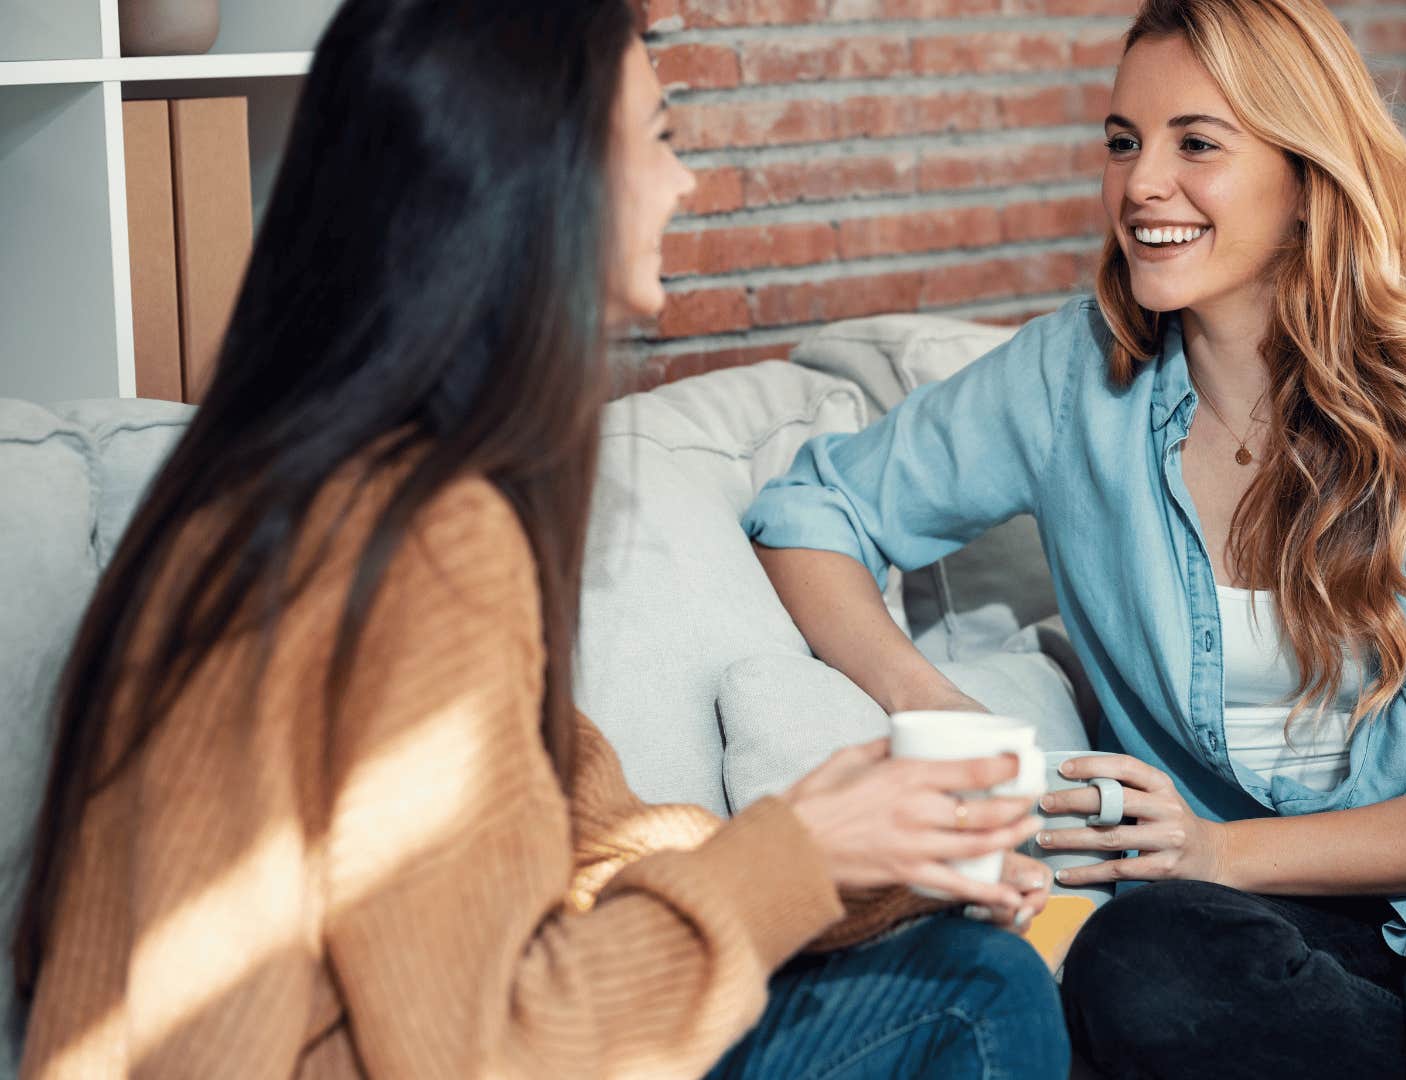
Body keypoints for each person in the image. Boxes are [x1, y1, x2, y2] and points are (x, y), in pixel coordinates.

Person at [10, 1, 1069, 1076]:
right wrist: (804, 851)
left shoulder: (309, 484)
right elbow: (485, 1049)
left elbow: (587, 842)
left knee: (955, 964)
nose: (683, 182)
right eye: (658, 136)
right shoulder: (426, 541)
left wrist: (861, 864)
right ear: (543, 178)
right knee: (977, 993)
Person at [744, 0, 1406, 1075]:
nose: (1141, 183)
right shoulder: (1069, 382)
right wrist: (942, 712)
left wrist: (1219, 848)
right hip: (1284, 913)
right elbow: (810, 512)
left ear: (1307, 175)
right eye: (1123, 142)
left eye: (1196, 143)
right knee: (1138, 962)